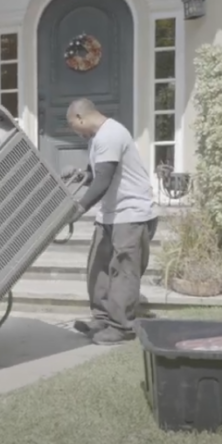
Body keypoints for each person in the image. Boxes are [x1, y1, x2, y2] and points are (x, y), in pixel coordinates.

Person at [65, 98, 158, 345]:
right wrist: (82, 175)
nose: (77, 133)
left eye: (75, 127)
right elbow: (96, 174)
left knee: (123, 271)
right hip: (110, 213)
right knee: (98, 267)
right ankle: (103, 318)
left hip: (131, 213)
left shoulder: (110, 135)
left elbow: (104, 179)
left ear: (80, 118)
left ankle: (121, 327)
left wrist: (79, 208)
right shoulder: (97, 138)